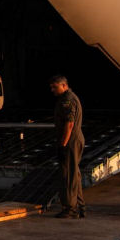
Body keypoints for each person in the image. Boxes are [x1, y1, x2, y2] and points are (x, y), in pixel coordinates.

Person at [49, 75, 86, 219]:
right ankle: (80, 206)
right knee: (74, 174)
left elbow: (69, 124)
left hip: (70, 141)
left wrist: (62, 145)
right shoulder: (68, 98)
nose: (52, 90)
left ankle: (71, 209)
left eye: (55, 87)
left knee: (68, 175)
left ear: (64, 85)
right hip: (74, 139)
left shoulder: (67, 100)